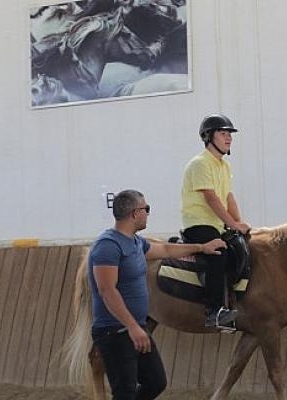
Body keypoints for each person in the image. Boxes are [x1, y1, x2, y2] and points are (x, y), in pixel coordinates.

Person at [89, 189, 226, 400]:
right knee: (124, 392)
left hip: (136, 327)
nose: (148, 214)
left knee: (155, 382)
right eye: (146, 209)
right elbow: (107, 291)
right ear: (135, 213)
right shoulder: (108, 246)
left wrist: (201, 247)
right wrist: (133, 327)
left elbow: (165, 251)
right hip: (115, 331)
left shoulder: (136, 242)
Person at [180, 113, 251, 327]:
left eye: (230, 133)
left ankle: (232, 302)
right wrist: (233, 224)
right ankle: (214, 311)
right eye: (223, 133)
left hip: (217, 225)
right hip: (198, 223)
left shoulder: (224, 166)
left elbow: (228, 197)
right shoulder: (200, 163)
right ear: (209, 136)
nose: (229, 137)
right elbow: (211, 198)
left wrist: (240, 224)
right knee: (218, 254)